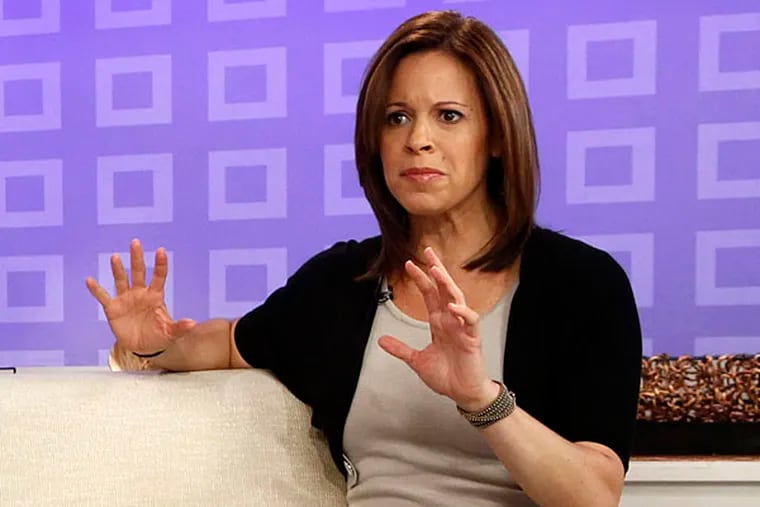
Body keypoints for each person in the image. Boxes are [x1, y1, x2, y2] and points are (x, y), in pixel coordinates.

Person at [86, 10, 642, 507]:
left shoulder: (582, 284)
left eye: (448, 116)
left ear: (496, 135)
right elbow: (232, 342)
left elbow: (593, 497)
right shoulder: (344, 281)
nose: (417, 139)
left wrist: (480, 398)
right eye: (396, 117)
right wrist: (154, 342)